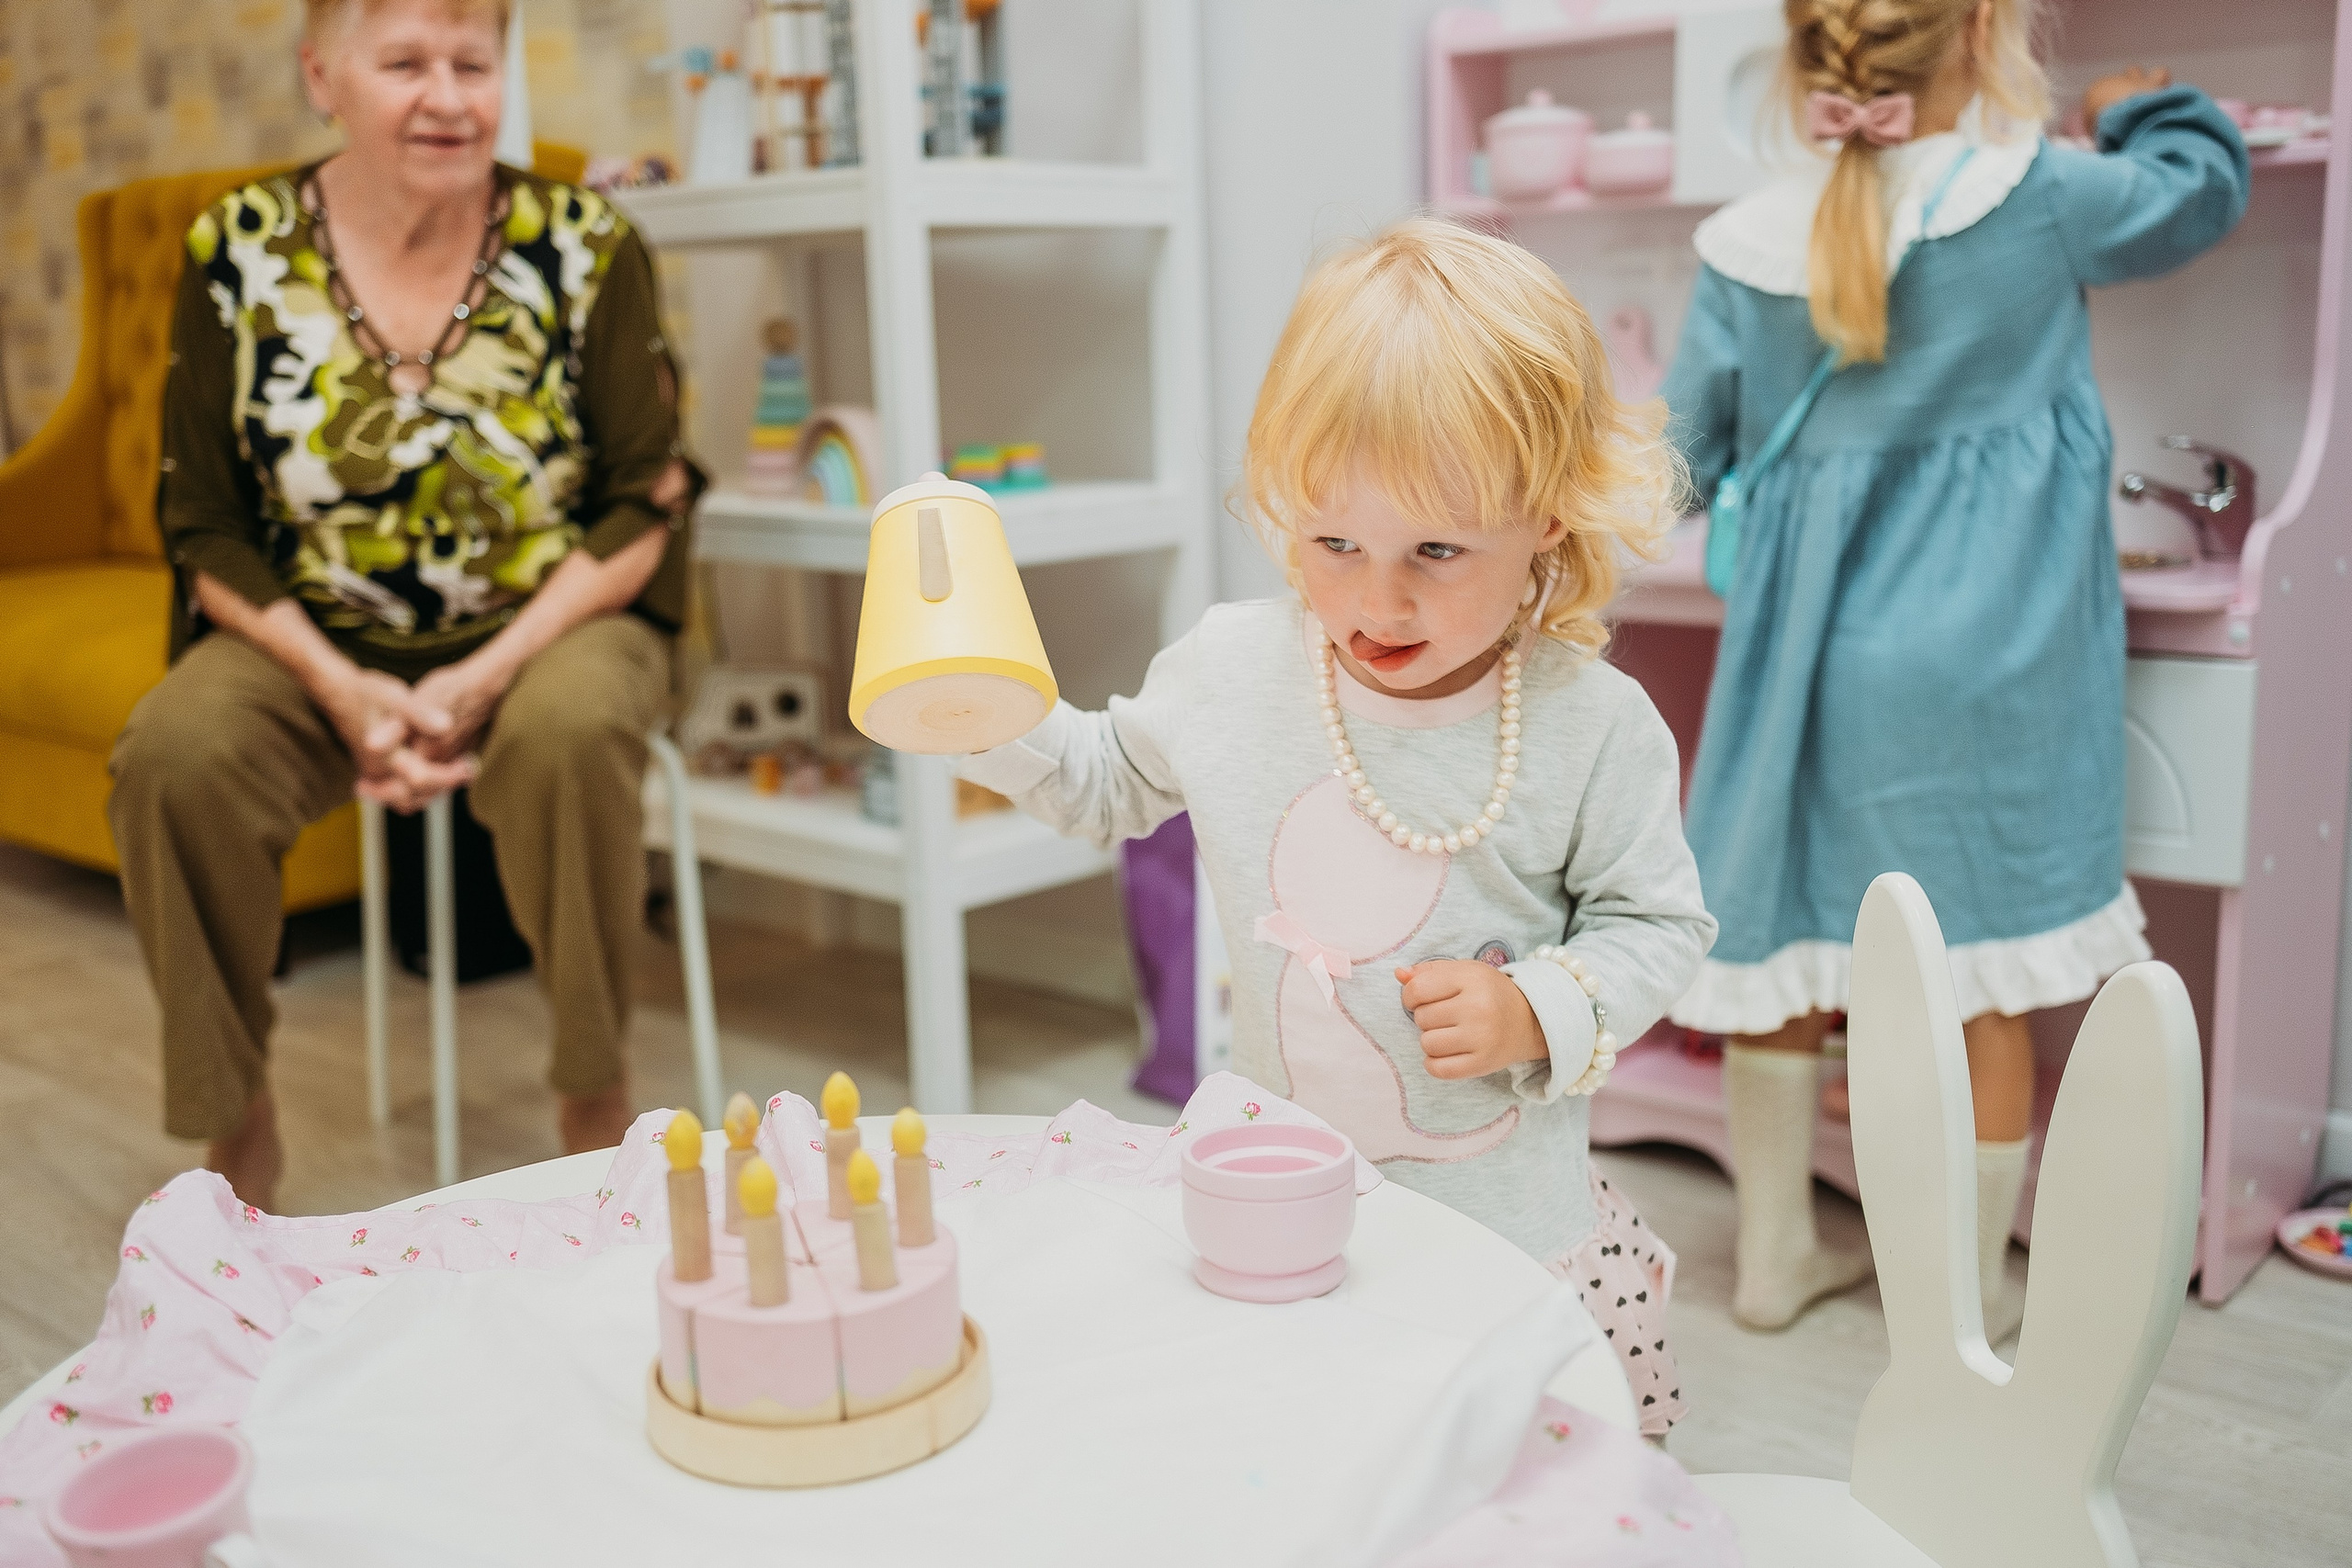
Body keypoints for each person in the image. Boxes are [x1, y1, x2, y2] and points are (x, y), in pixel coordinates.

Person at [961, 220, 1716, 1434]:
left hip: (1502, 1233)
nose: (1378, 596)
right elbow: (1104, 783)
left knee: (1499, 1484)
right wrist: (984, 714)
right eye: (1332, 541)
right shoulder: (1233, 669)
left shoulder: (1595, 725)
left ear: (1551, 523)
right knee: (1316, 1459)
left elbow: (1658, 925)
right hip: (1287, 1207)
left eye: (1436, 548)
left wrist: (1539, 1006)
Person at [1660, 0, 2248, 1334]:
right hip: (1991, 663)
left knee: (1792, 956)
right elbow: (2201, 199)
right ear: (1982, 35)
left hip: (1803, 665)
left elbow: (1683, 454)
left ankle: (1769, 1263)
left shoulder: (1750, 241)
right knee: (1988, 968)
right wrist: (2151, 102)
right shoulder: (2039, 196)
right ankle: (1969, 1305)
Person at [110, 0, 702, 1210]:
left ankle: (596, 1100)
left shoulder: (586, 242)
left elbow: (647, 501)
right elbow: (205, 527)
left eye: (472, 64)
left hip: (557, 625)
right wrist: (342, 689)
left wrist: (478, 680)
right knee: (173, 754)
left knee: (574, 728)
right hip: (311, 638)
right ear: (323, 77)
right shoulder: (240, 245)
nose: (448, 95)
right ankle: (237, 1128)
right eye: (406, 63)